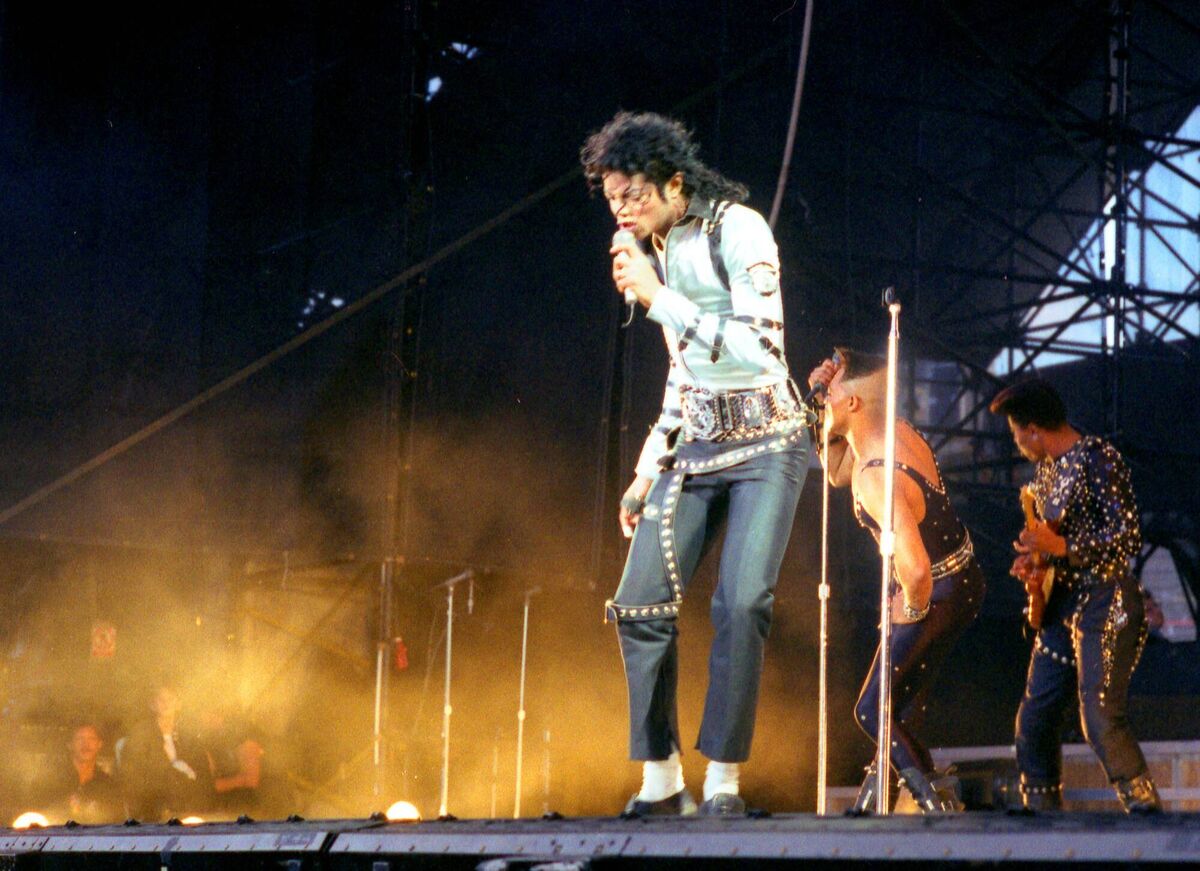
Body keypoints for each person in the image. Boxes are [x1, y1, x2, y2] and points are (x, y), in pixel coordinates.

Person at [581, 111, 810, 816]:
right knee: (639, 601)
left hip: (770, 442)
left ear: (674, 181)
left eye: (635, 196)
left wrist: (659, 297)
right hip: (696, 446)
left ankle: (724, 782)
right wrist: (649, 466)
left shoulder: (737, 230)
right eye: (613, 199)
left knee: (740, 602)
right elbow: (685, 373)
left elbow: (760, 350)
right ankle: (660, 779)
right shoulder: (659, 244)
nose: (624, 212)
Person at [808, 348, 984, 814]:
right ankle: (873, 805)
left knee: (872, 709)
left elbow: (917, 569)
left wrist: (910, 606)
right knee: (899, 708)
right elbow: (834, 472)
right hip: (963, 584)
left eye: (832, 392)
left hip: (936, 589)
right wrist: (817, 399)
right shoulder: (894, 433)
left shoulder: (876, 476)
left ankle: (936, 802)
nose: (825, 396)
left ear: (853, 405)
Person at [990, 378, 1160, 813]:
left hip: (1107, 600)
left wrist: (1061, 549)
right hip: (1062, 606)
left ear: (1032, 429)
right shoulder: (1047, 471)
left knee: (1101, 719)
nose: (1019, 447)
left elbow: (1127, 538)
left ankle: (1151, 821)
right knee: (1033, 721)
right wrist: (1036, 564)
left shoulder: (1098, 458)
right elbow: (1051, 543)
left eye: (1017, 436)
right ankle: (1042, 826)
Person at [119, 685, 211, 821]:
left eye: (171, 699)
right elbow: (134, 778)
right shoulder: (140, 735)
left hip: (189, 811)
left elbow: (203, 776)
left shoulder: (189, 737)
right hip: (153, 812)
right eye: (161, 700)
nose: (166, 703)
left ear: (178, 704)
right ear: (152, 705)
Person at [36, 723, 124, 824]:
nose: (86, 744)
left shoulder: (108, 785)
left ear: (99, 745)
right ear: (70, 745)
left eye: (92, 739)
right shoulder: (51, 781)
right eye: (79, 739)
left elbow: (117, 823)